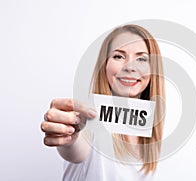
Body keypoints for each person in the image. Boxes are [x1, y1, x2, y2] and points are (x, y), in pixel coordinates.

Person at [41, 24, 165, 180]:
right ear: (104, 65)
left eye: (141, 58)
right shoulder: (89, 118)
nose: (130, 67)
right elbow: (77, 148)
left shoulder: (150, 131)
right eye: (119, 56)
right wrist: (70, 136)